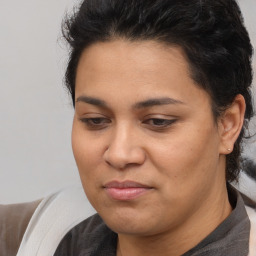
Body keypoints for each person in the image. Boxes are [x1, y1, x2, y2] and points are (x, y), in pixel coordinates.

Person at [1, 0, 256, 255]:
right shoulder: (33, 237)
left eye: (158, 121)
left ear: (228, 124)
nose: (119, 154)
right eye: (95, 120)